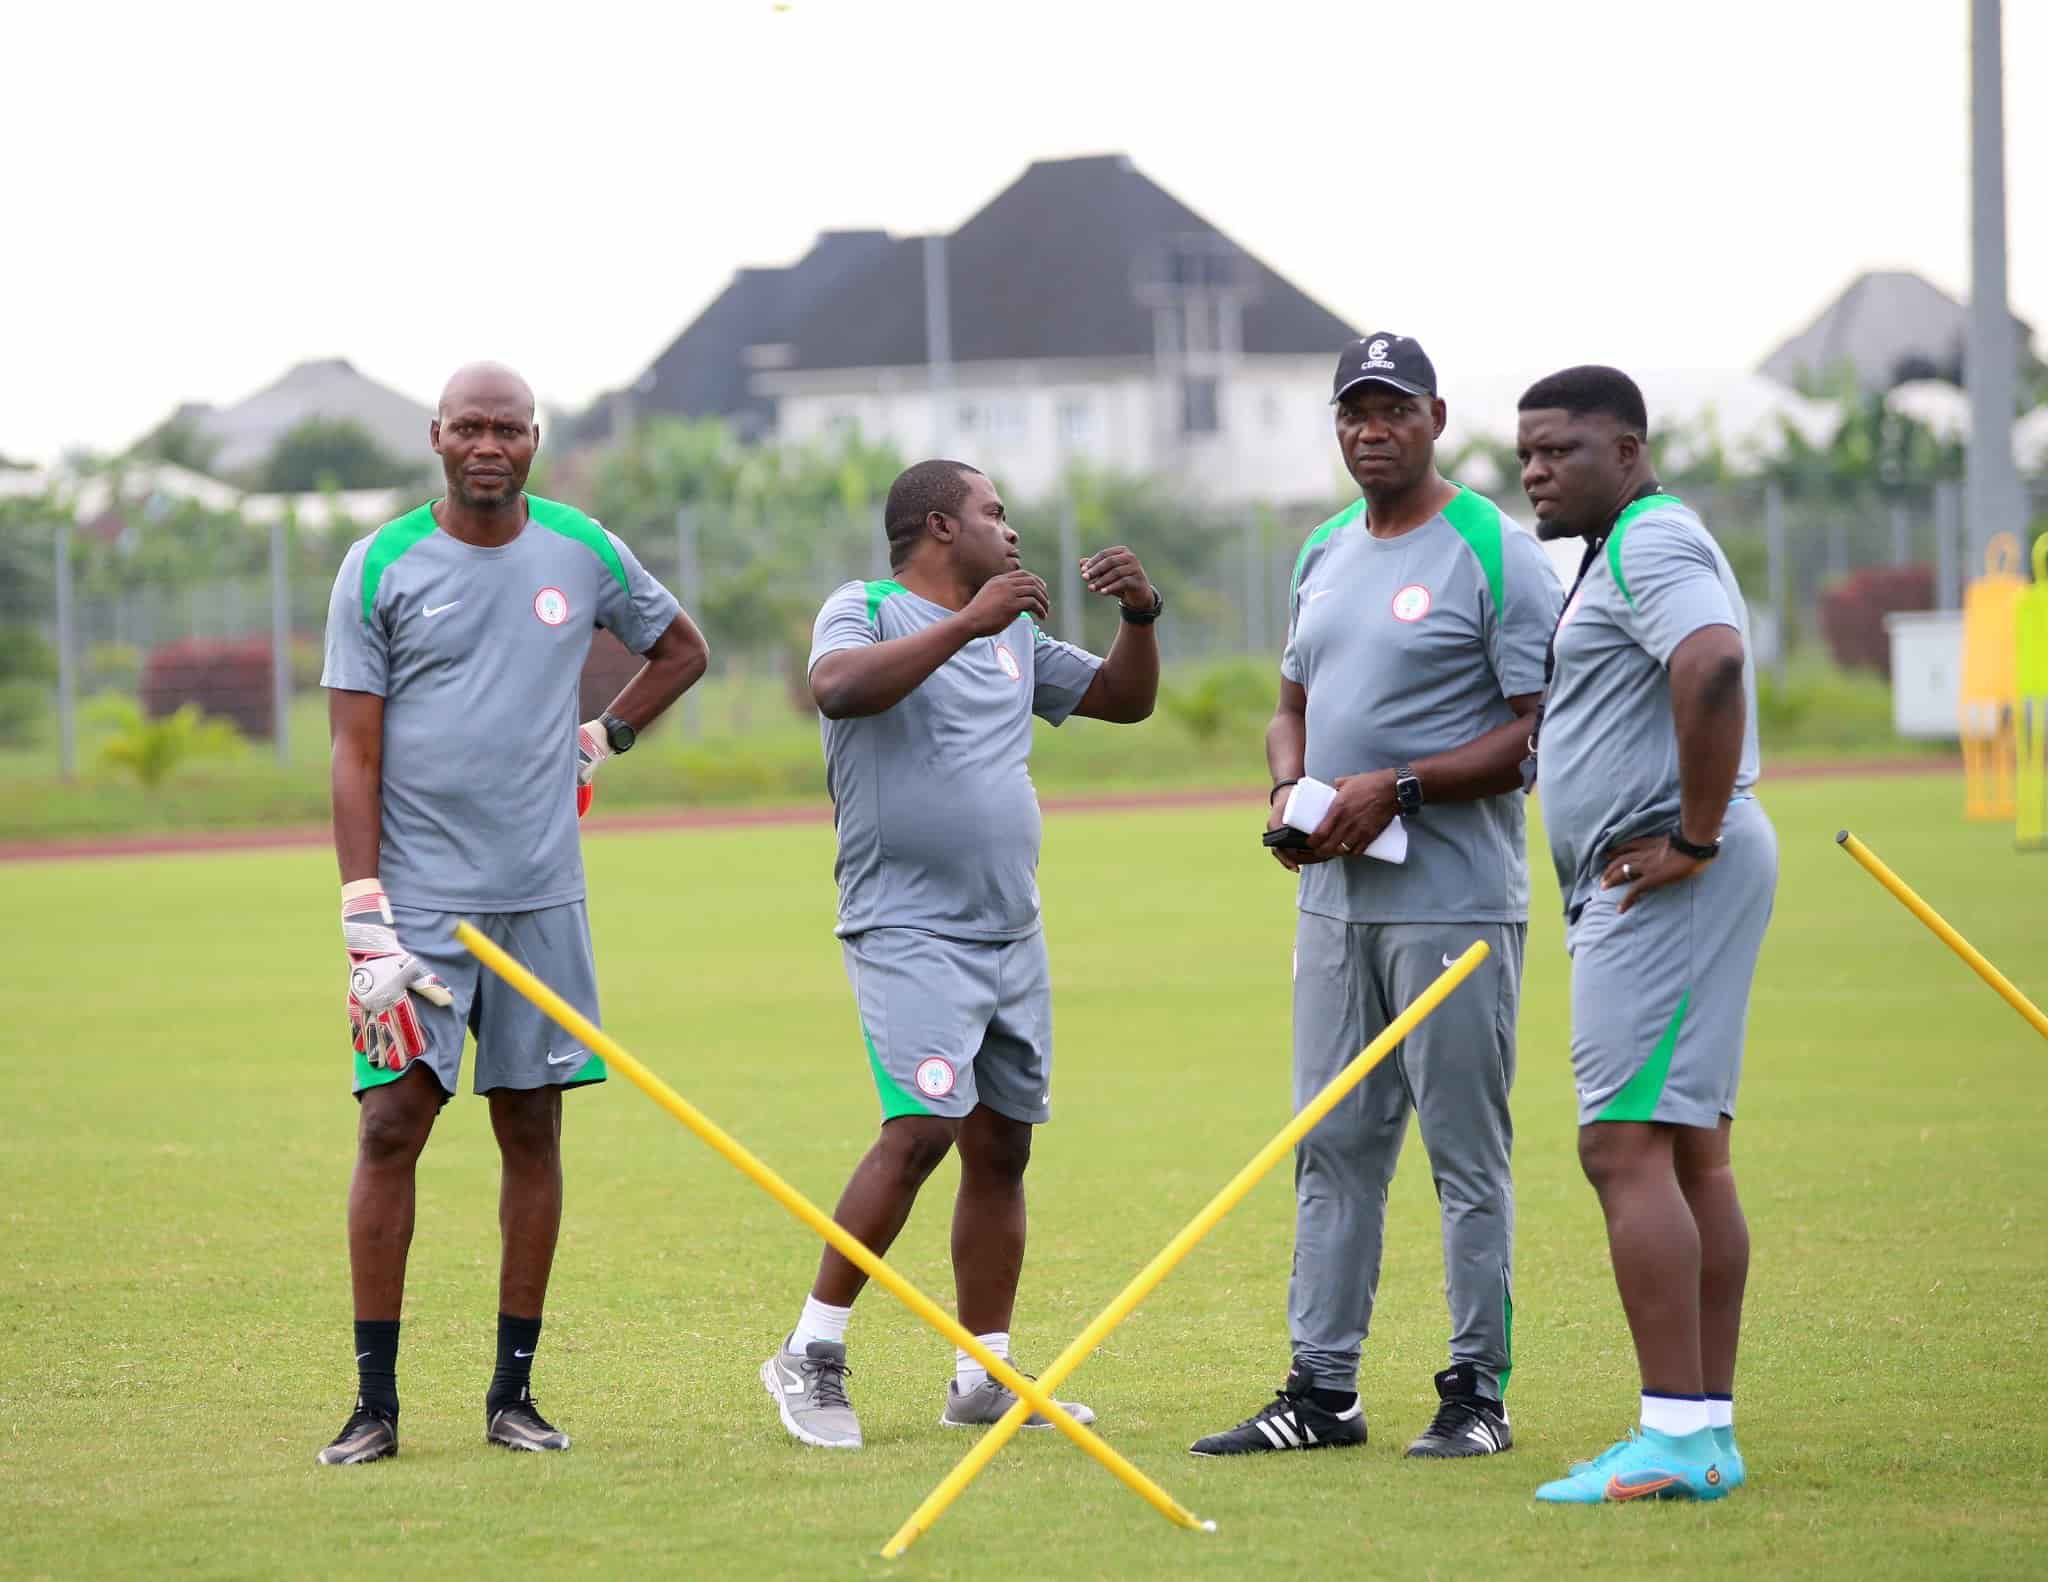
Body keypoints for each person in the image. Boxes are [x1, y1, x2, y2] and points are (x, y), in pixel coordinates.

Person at [315, 361, 709, 1465]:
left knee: (530, 1127)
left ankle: (513, 1395)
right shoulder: (380, 562)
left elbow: (681, 649)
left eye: (510, 428)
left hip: (542, 899)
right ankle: (374, 1405)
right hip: (418, 910)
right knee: (391, 1124)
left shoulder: (581, 550)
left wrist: (606, 734)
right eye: (469, 426)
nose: (488, 444)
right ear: (437, 437)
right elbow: (352, 747)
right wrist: (363, 911)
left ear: (533, 440)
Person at [1191, 334, 1562, 1461]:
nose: (1367, 429)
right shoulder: (1321, 548)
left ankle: (1473, 1394)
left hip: (1453, 906)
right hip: (1333, 903)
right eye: (1351, 410)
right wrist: (1286, 787)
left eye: (1389, 409)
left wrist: (1394, 784)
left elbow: (1529, 734)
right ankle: (1320, 1389)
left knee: (1463, 1151)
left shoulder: (1492, 549)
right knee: (1332, 1143)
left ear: (1435, 417)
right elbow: (1289, 701)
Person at [760, 458, 1161, 1449]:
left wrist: (1141, 618)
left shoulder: (1014, 635)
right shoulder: (865, 607)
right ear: (941, 527)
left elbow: (1120, 699)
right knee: (920, 1130)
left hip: (1008, 928)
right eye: (994, 512)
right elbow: (836, 690)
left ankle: (982, 1375)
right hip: (907, 925)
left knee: (1001, 1146)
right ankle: (808, 1352)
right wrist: (964, 624)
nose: (1012, 529)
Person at [1514, 365, 1775, 1504]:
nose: (1534, 470)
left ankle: (1670, 1436)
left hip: (1663, 876)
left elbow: (1710, 658)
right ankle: (1702, 1431)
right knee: (1684, 1149)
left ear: (1625, 450)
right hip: (1664, 870)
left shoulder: (1646, 544)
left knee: (1620, 1147)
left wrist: (1695, 834)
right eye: (1523, 451)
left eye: (1558, 450)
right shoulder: (1618, 549)